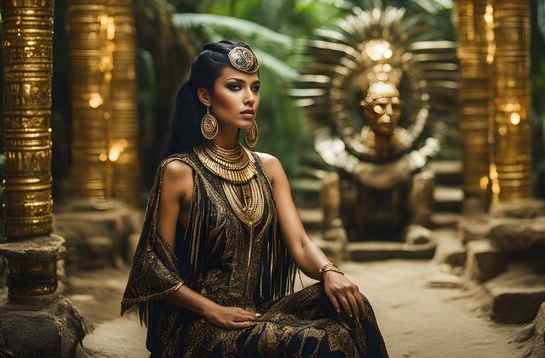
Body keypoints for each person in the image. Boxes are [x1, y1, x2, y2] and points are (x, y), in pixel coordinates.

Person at [121, 40, 388, 357]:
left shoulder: (268, 167)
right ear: (206, 96)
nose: (249, 98)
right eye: (235, 87)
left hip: (256, 310)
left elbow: (300, 244)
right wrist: (210, 309)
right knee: (316, 343)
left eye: (255, 87)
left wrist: (331, 271)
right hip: (197, 325)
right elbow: (154, 266)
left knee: (353, 308)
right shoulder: (179, 171)